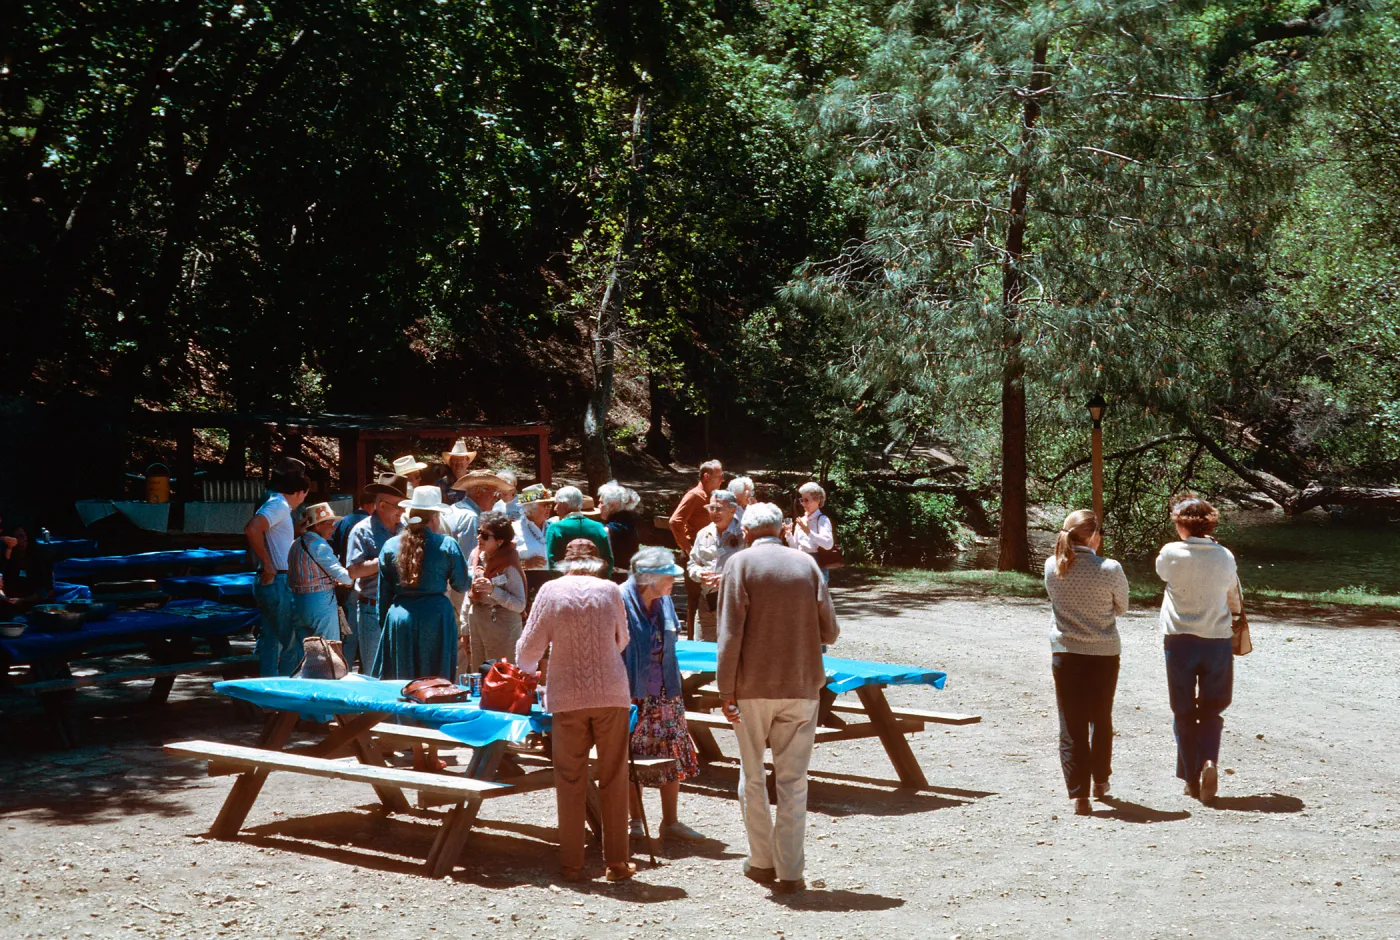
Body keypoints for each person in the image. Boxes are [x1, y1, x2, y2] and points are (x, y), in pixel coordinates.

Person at [717, 502, 839, 895]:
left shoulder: (740, 564)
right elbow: (831, 631)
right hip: (802, 685)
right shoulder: (806, 565)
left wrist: (725, 688)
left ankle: (760, 861)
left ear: (748, 531)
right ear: (783, 528)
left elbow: (730, 633)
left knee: (752, 775)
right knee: (794, 780)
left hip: (752, 687)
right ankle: (791, 870)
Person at [515, 539, 634, 883]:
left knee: (569, 778)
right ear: (597, 562)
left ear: (563, 562)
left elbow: (528, 646)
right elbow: (622, 639)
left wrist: (528, 668)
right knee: (614, 775)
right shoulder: (611, 589)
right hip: (611, 692)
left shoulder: (551, 591)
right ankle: (617, 863)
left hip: (566, 694)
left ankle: (572, 863)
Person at [1157, 496, 1243, 804]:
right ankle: (1208, 761)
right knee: (1211, 709)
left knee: (1182, 710)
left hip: (1179, 640)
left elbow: (1163, 574)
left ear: (1180, 523)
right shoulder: (1225, 556)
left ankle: (1191, 778)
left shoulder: (1170, 553)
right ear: (1210, 523)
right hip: (1217, 639)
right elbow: (1232, 592)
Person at [1043, 509, 1128, 816]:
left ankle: (1078, 793)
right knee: (1100, 717)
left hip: (1066, 652)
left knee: (1071, 721)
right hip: (1104, 653)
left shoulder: (1053, 566)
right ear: (1093, 536)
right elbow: (1123, 606)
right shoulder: (1110, 567)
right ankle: (1101, 780)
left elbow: (1054, 601)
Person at [621, 546, 705, 843]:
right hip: (633, 693)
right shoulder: (620, 599)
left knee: (672, 755)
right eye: (669, 576)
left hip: (666, 691)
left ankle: (670, 822)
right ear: (648, 577)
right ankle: (634, 821)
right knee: (631, 756)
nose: (674, 582)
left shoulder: (665, 599)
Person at [373, 486, 469, 681]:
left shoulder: (390, 546)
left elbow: (383, 595)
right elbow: (462, 584)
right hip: (436, 618)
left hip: (400, 618)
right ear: (434, 517)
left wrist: (389, 626)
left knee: (401, 683)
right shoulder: (446, 544)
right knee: (436, 681)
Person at [245, 458, 311, 677]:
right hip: (279, 581)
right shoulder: (279, 505)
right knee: (291, 643)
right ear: (300, 491)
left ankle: (266, 692)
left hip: (272, 582)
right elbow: (253, 529)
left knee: (270, 639)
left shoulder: (274, 502)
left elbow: (273, 536)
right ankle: (286, 698)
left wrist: (296, 530)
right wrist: (269, 565)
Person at [344, 474, 409, 672]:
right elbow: (354, 571)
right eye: (398, 506)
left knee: (399, 669)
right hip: (372, 610)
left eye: (404, 506)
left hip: (401, 609)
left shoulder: (405, 530)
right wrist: (386, 559)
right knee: (374, 670)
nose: (402, 511)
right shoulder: (361, 531)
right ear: (382, 505)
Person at [669, 460, 724, 637]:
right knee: (694, 600)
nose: (722, 480)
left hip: (708, 553)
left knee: (708, 599)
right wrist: (687, 548)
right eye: (719, 477)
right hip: (694, 554)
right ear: (706, 477)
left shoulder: (711, 496)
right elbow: (675, 521)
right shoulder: (695, 495)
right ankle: (693, 641)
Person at [465, 510, 527, 668]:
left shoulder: (509, 563)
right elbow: (469, 591)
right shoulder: (476, 555)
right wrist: (464, 625)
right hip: (478, 621)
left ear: (499, 541)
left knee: (502, 679)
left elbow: (520, 604)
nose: (479, 537)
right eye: (479, 532)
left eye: (485, 535)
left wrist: (493, 590)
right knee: (479, 675)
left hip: (503, 627)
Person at [288, 502, 354, 646]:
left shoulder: (295, 544)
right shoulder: (319, 545)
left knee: (302, 647)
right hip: (320, 602)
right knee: (328, 646)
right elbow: (343, 575)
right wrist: (350, 580)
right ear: (318, 526)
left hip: (298, 600)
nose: (333, 527)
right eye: (330, 523)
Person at [686, 488, 745, 642]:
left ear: (733, 510)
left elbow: (753, 570)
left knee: (731, 654)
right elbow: (692, 563)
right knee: (703, 652)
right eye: (711, 508)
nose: (714, 512)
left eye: (719, 509)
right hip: (707, 602)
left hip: (734, 602)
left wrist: (727, 578)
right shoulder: (703, 533)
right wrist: (699, 575)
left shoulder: (744, 534)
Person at [331, 487, 375, 662]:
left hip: (344, 579)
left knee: (348, 630)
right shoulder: (370, 524)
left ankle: (346, 666)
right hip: (364, 584)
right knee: (356, 632)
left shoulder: (344, 521)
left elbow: (333, 548)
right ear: (374, 504)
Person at [545, 486, 613, 573]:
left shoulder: (555, 528)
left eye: (557, 504)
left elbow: (552, 563)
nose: (555, 508)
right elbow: (608, 561)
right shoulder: (598, 527)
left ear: (564, 504)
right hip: (593, 583)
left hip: (565, 584)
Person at [783, 481, 836, 584]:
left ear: (818, 500)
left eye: (806, 500)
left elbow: (828, 544)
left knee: (818, 599)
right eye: (801, 500)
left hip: (817, 564)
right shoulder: (801, 521)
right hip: (801, 563)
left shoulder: (822, 520)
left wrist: (808, 532)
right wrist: (789, 535)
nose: (803, 504)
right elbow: (796, 548)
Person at [598, 481, 643, 571]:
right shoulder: (627, 520)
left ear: (613, 506)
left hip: (619, 576)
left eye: (601, 503)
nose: (599, 506)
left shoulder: (616, 527)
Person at [512, 484, 553, 569]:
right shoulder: (514, 530)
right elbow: (502, 560)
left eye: (550, 504)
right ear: (530, 508)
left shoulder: (552, 527)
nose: (549, 508)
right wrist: (525, 564)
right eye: (545, 505)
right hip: (526, 581)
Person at [438, 439, 477, 504]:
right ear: (450, 463)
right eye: (454, 460)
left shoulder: (474, 482)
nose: (458, 463)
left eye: (462, 459)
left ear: (468, 462)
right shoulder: (442, 484)